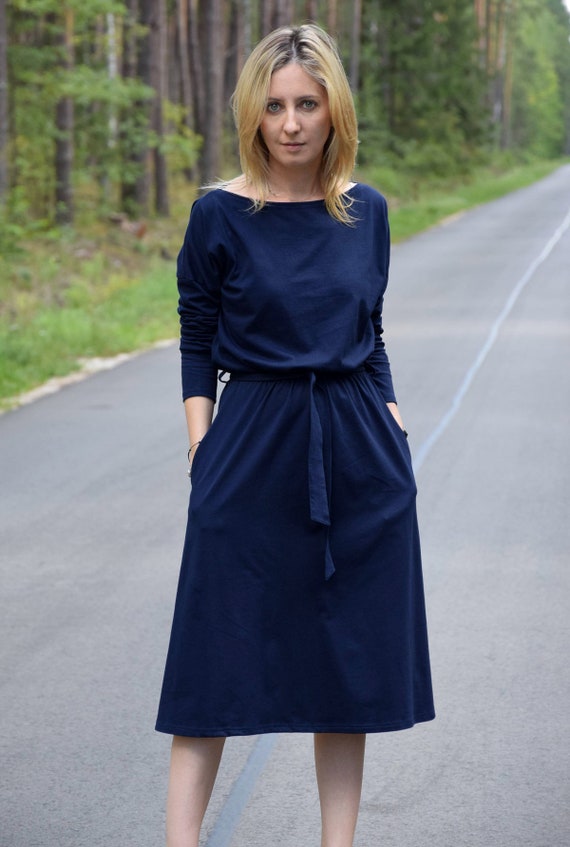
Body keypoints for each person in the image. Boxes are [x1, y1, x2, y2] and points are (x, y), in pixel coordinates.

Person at [156, 23, 435, 847]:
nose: (290, 123)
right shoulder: (219, 214)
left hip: (354, 449)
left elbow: (369, 328)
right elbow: (197, 335)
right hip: (249, 446)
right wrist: (202, 445)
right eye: (274, 105)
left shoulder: (368, 212)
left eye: (307, 104)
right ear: (252, 111)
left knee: (341, 668)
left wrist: (389, 414)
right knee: (213, 658)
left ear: (333, 110)